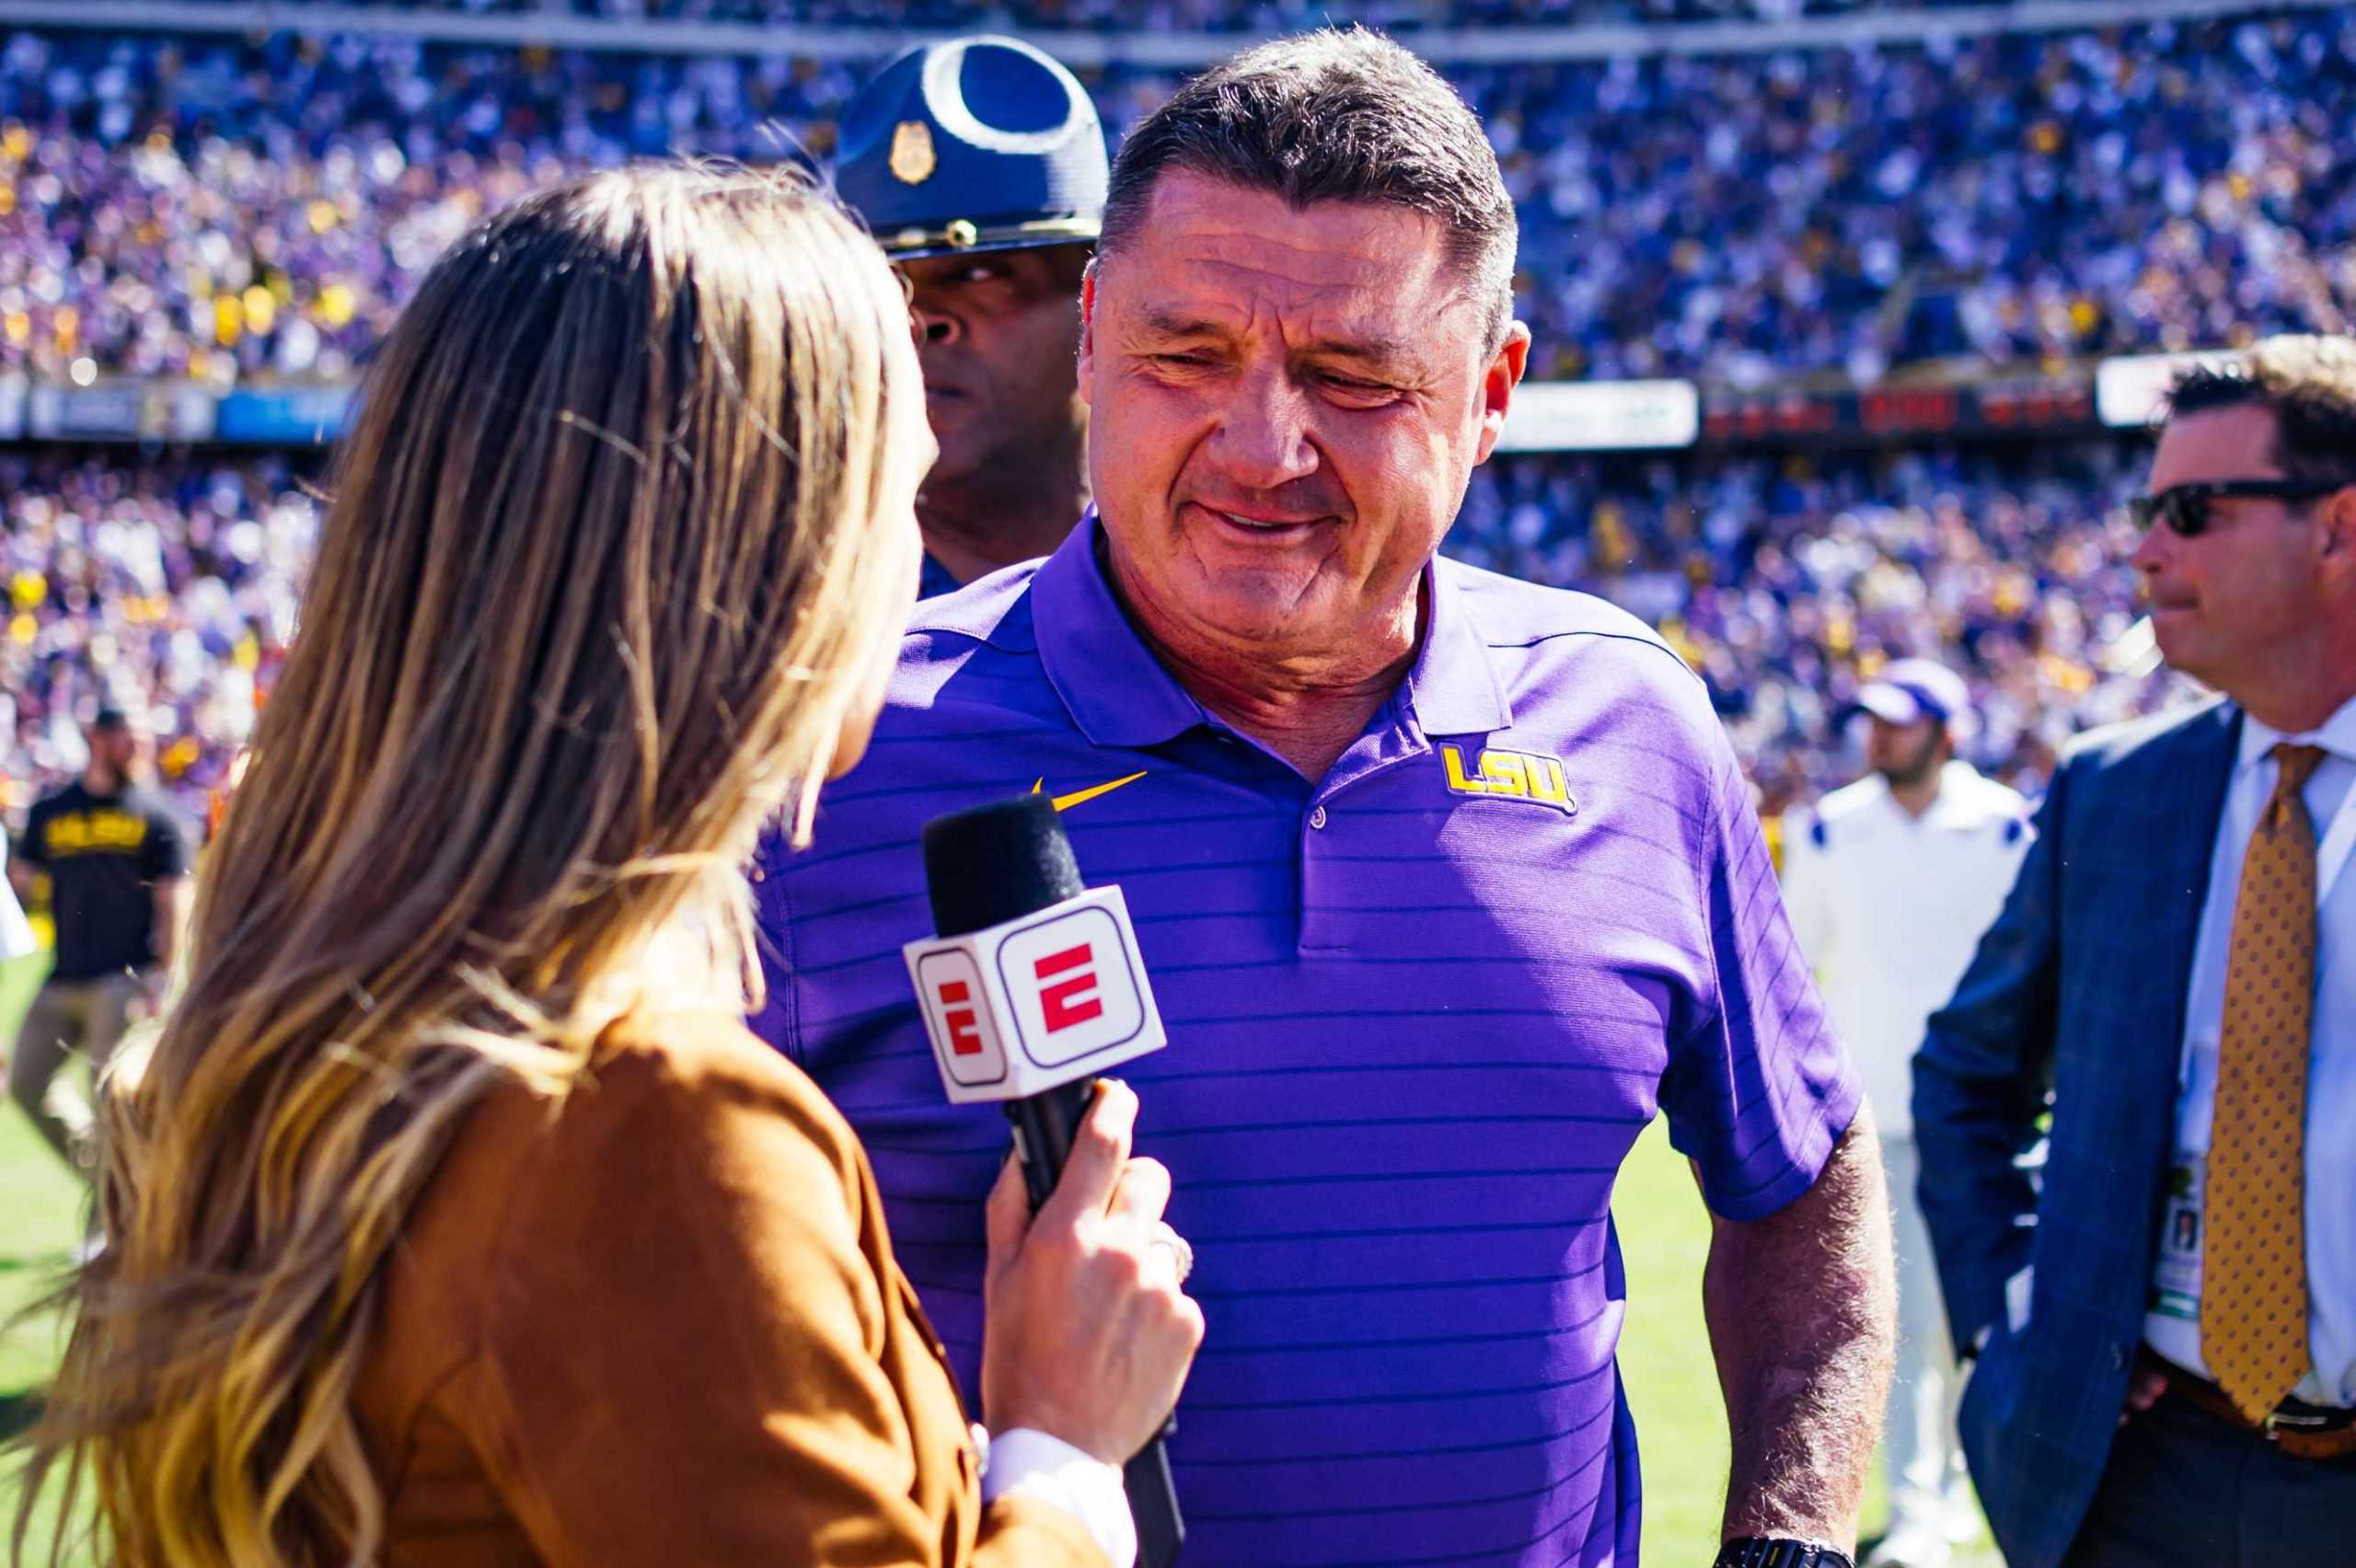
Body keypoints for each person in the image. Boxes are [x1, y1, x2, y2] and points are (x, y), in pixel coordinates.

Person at [756, 30, 1893, 1568]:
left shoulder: (1632, 724)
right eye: (1190, 355)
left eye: (1354, 378)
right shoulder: (828, 754)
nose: (1261, 444)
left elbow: (1803, 1166)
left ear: (1492, 390)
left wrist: (1791, 1535)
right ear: (1093, 339)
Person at [19, 167, 1202, 1568]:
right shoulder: (644, 1124)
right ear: (779, 556)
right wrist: (1062, 1455)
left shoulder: (301, 1045)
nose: (912, 556)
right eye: (895, 493)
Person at [1915, 334, 2356, 1568]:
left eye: (2193, 511)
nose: (2146, 548)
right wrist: (2015, 1320)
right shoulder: (2118, 794)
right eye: (2145, 509)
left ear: (2337, 527)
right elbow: (1964, 1078)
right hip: (2144, 1481)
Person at [1780, 658, 2031, 1568]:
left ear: (1947, 732)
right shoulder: (1829, 833)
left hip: (1983, 1117)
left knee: (1972, 1318)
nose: (1878, 737)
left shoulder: (2008, 829)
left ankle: (1954, 1488)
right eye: (1872, 722)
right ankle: (1920, 1508)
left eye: (1900, 722)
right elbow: (1795, 964)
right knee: (1898, 1321)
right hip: (1869, 1115)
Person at [835, 35, 1103, 595]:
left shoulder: (1200, 579)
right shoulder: (788, 614)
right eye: (885, 282)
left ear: (1101, 303)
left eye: (980, 275)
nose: (919, 320)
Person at [7, 705, 191, 1176]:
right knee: (25, 1084)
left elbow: (176, 898)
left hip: (124, 978)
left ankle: (110, 1223)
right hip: (63, 976)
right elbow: (21, 880)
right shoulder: (53, 811)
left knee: (112, 1098)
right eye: (133, 738)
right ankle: (109, 1188)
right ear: (99, 740)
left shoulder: (160, 816)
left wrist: (163, 975)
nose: (142, 749)